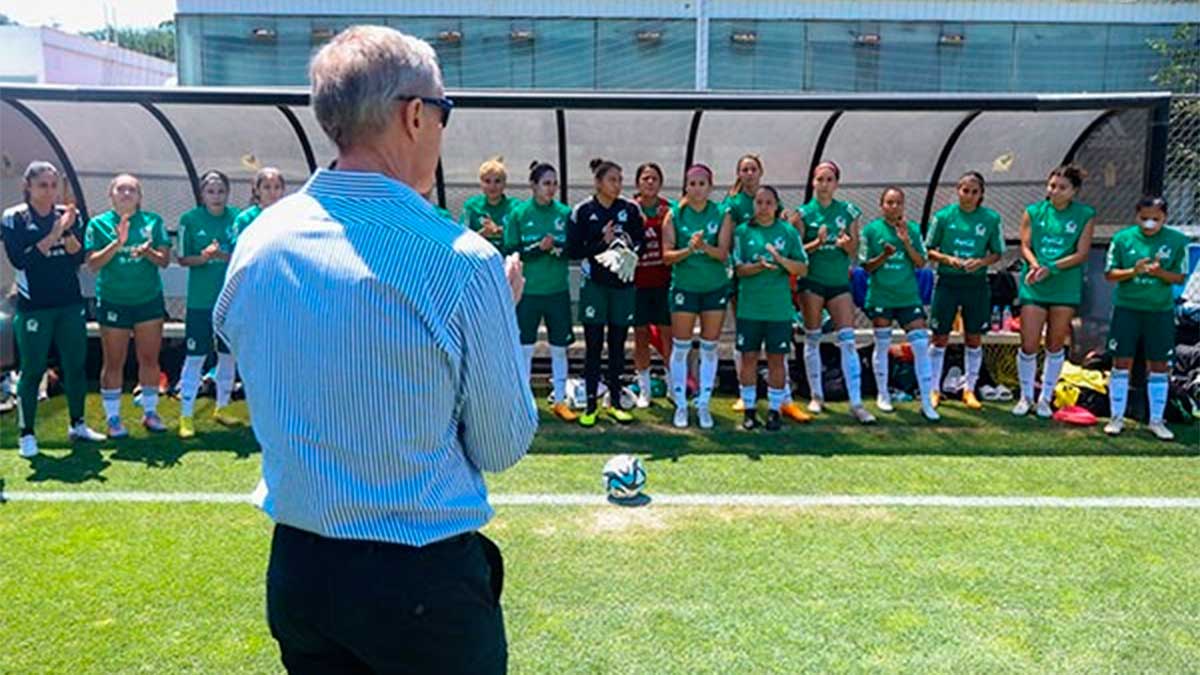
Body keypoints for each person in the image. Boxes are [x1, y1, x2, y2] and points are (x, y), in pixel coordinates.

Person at [214, 26, 536, 673]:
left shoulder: (259, 242)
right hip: (421, 582)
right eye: (444, 111)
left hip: (301, 568)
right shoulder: (461, 263)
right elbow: (502, 444)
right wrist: (493, 320)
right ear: (415, 115)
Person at [2, 161, 105, 458]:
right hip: (34, 306)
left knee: (75, 366)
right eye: (42, 185)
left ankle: (78, 424)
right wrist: (55, 231)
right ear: (28, 187)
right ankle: (27, 433)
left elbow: (77, 258)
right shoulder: (14, 218)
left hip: (69, 303)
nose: (49, 191)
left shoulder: (67, 214)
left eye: (53, 185)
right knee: (33, 369)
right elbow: (22, 261)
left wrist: (68, 230)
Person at [85, 173, 171, 437]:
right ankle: (113, 419)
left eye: (131, 190)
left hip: (147, 300)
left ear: (139, 196)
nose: (126, 194)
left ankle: (150, 413)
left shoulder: (152, 222)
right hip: (114, 300)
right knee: (114, 361)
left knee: (149, 358)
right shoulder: (98, 224)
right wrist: (117, 243)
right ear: (111, 194)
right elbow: (93, 263)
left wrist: (148, 252)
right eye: (120, 189)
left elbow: (164, 261)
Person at [790, 160, 874, 424]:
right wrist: (818, 242)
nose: (824, 184)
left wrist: (846, 245)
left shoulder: (848, 212)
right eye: (819, 179)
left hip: (838, 283)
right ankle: (816, 396)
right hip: (812, 283)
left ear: (836, 183)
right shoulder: (802, 214)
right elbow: (796, 254)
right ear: (813, 182)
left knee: (848, 340)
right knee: (812, 338)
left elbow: (855, 253)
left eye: (829, 179)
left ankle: (857, 403)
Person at [566, 158, 644, 428]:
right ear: (598, 183)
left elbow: (640, 242)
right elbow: (573, 251)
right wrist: (603, 242)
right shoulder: (583, 211)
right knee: (594, 346)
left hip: (622, 288)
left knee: (618, 346)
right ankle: (590, 406)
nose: (618, 185)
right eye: (612, 179)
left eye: (620, 179)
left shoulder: (630, 210)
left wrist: (631, 253)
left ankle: (615, 403)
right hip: (595, 288)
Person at [1103, 196, 1188, 441]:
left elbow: (1180, 277)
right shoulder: (1122, 239)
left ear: (1165, 218)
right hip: (1127, 309)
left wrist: (1160, 273)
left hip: (1159, 311)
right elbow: (1110, 274)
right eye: (1144, 218)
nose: (1149, 223)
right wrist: (1134, 271)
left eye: (1156, 219)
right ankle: (1116, 418)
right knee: (1121, 362)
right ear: (1136, 216)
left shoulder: (1178, 241)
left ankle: (1156, 421)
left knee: (1159, 365)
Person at [1014, 163, 1095, 419]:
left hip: (1064, 287)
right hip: (1035, 284)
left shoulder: (1085, 214)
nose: (1055, 191)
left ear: (1074, 191)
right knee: (1028, 343)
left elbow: (1081, 254)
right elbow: (1025, 246)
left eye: (1062, 187)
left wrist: (1052, 267)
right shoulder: (1034, 212)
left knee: (1055, 343)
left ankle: (1045, 399)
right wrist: (1037, 265)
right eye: (1051, 186)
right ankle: (1025, 396)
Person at [924, 171, 1004, 410]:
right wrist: (948, 260)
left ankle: (969, 389)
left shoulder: (990, 219)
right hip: (948, 282)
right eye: (964, 190)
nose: (968, 196)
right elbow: (928, 249)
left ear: (981, 194)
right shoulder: (944, 217)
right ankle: (933, 389)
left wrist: (980, 262)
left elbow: (997, 253)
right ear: (957, 190)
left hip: (976, 285)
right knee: (939, 337)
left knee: (974, 337)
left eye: (974, 192)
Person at [504, 161, 576, 422]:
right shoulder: (519, 213)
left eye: (554, 183)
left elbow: (573, 250)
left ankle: (560, 400)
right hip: (528, 292)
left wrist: (555, 246)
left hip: (557, 291)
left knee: (559, 347)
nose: (551, 188)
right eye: (546, 183)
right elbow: (511, 249)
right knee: (525, 347)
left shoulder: (565, 213)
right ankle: (524, 400)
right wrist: (537, 248)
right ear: (533, 185)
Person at [859, 187, 939, 422]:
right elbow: (866, 266)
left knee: (921, 343)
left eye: (898, 203)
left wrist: (906, 242)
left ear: (903, 206)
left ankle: (926, 401)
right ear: (882, 205)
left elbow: (920, 262)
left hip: (907, 297)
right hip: (882, 295)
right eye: (889, 203)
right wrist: (884, 255)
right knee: (882, 342)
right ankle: (883, 394)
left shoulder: (912, 229)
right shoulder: (872, 230)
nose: (894, 207)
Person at [733, 185, 808, 431]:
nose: (763, 208)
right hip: (750, 308)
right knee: (749, 358)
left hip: (778, 309)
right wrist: (758, 267)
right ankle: (750, 409)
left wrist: (780, 260)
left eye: (768, 203)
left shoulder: (787, 232)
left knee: (777, 360)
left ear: (776, 207)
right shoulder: (743, 232)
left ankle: (775, 410)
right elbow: (738, 269)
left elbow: (802, 268)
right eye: (759, 203)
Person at [662, 163, 731, 429]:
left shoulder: (722, 213)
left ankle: (703, 405)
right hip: (685, 287)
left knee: (709, 346)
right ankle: (680, 404)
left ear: (710, 187)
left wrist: (705, 246)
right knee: (681, 346)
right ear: (686, 187)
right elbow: (667, 256)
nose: (697, 189)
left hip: (714, 287)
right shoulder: (674, 215)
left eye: (702, 184)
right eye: (692, 184)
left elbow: (723, 253)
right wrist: (689, 250)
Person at [176, 170, 240, 438]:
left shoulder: (237, 218)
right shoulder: (189, 220)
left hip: (229, 300)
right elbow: (181, 258)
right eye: (211, 191)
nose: (216, 197)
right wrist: (202, 258)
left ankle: (222, 408)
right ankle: (186, 415)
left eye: (221, 191)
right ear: (202, 194)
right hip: (201, 302)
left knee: (228, 355)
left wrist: (222, 255)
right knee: (195, 356)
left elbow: (242, 254)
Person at [631, 162, 674, 409]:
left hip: (663, 282)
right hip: (637, 283)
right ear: (638, 182)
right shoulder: (629, 209)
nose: (650, 182)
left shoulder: (668, 210)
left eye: (654, 178)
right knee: (640, 336)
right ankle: (644, 389)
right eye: (645, 178)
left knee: (667, 335)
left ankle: (671, 385)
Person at [460, 156, 516, 251]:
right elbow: (462, 238)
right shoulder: (471, 206)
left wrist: (498, 231)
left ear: (504, 183)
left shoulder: (515, 207)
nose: (492, 186)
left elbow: (522, 236)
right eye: (487, 181)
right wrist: (482, 234)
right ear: (481, 183)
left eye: (497, 181)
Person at [231, 167, 286, 239]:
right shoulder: (246, 218)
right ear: (257, 190)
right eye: (267, 187)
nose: (272, 192)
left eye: (277, 187)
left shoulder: (287, 216)